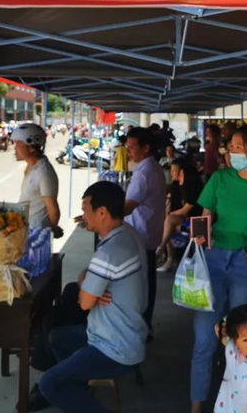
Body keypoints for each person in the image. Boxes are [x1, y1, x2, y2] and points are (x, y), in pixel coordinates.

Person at [191, 124, 247, 413]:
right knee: (204, 339)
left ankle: (243, 403)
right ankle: (196, 404)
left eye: (238, 148)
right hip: (213, 260)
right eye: (230, 148)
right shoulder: (219, 178)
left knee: (244, 339)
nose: (231, 153)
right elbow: (205, 216)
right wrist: (200, 238)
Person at [36, 181, 148, 413]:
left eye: (85, 209)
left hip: (114, 347)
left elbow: (84, 302)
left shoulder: (109, 251)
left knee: (49, 384)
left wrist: (88, 291)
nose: (83, 216)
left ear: (102, 212)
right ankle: (79, 389)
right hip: (127, 334)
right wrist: (87, 287)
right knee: (58, 338)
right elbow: (86, 280)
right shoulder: (127, 234)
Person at [124, 126, 166, 330]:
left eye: (133, 147)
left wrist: (99, 215)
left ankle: (141, 327)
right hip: (148, 232)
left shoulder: (145, 173)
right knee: (147, 281)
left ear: (146, 147)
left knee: (141, 285)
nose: (129, 151)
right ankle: (144, 325)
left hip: (141, 234)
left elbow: (128, 206)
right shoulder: (151, 167)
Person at [12, 123, 63, 237]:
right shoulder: (31, 167)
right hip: (25, 230)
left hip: (35, 234)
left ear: (31, 148)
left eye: (18, 144)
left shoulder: (44, 172)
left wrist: (49, 232)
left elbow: (53, 210)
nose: (15, 148)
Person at [156, 157, 203, 272]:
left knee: (169, 221)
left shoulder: (193, 184)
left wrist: (170, 214)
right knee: (167, 223)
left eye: (174, 171)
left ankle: (163, 250)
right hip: (183, 220)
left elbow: (186, 209)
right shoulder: (176, 186)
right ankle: (167, 255)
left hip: (196, 221)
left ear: (182, 171)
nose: (171, 173)